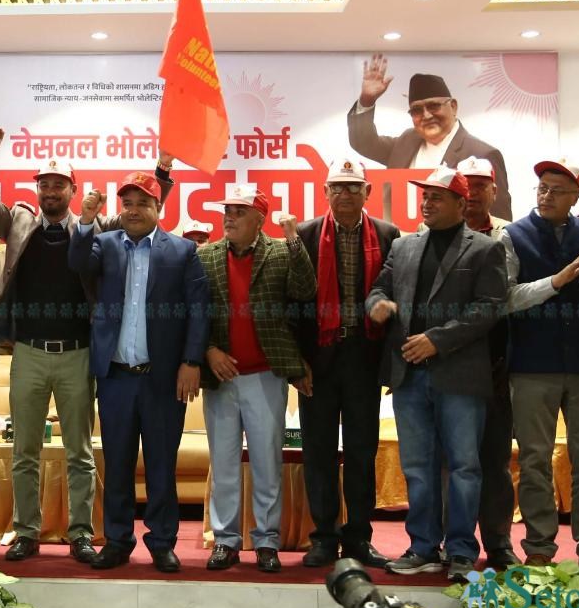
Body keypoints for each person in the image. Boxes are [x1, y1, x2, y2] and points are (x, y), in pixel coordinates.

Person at [0, 127, 176, 564]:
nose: (50, 191)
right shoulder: (19, 222)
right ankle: (26, 532)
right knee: (24, 451)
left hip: (79, 354)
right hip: (28, 352)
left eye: (59, 185)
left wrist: (162, 171)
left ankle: (81, 533)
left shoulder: (98, 227)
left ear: (73, 190)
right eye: (44, 184)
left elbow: (143, 210)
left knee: (80, 453)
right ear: (37, 189)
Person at [366, 166, 506, 581]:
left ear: (462, 204)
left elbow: (488, 308)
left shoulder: (485, 249)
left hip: (460, 375)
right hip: (409, 375)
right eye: (425, 196)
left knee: (464, 467)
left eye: (437, 197)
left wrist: (437, 340)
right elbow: (380, 288)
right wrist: (376, 305)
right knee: (417, 467)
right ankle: (423, 547)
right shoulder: (404, 246)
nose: (427, 203)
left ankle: (461, 552)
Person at [68, 171, 208, 573]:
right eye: (127, 203)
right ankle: (117, 541)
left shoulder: (182, 251)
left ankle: (162, 542)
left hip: (163, 378)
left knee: (162, 464)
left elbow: (199, 310)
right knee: (117, 463)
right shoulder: (105, 244)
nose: (133, 210)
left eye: (142, 203)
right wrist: (85, 221)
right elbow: (77, 263)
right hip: (116, 377)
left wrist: (191, 362)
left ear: (158, 207)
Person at [501, 159, 579, 581]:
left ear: (576, 197)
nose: (546, 195)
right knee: (534, 459)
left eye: (557, 190)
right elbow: (507, 298)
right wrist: (558, 280)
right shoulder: (513, 235)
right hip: (532, 364)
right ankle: (539, 549)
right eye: (542, 187)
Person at [199, 185, 315, 573]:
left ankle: (266, 541)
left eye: (239, 212)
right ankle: (226, 540)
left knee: (267, 462)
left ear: (259, 220)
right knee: (224, 464)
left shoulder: (281, 252)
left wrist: (294, 239)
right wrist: (208, 351)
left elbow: (305, 291)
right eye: (227, 211)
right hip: (221, 376)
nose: (229, 217)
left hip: (266, 375)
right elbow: (194, 313)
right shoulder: (206, 256)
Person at [294, 158, 401, 569]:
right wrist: (297, 363)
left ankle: (358, 536)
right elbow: (291, 304)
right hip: (317, 359)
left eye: (354, 187)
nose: (345, 194)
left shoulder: (389, 235)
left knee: (361, 451)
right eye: (337, 187)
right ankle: (323, 536)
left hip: (364, 356)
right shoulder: (305, 235)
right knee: (318, 451)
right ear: (325, 193)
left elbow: (395, 294)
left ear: (367, 193)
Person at [347, 54, 512, 219]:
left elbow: (499, 219)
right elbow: (363, 142)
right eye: (417, 110)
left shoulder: (482, 154)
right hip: (402, 234)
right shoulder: (406, 141)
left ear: (453, 106)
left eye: (433, 106)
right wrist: (367, 100)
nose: (426, 115)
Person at [453, 156, 517, 570]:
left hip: (496, 364)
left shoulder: (510, 236)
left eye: (481, 186)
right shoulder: (430, 233)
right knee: (452, 462)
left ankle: (498, 541)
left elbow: (513, 297)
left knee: (494, 460)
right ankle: (453, 542)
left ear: (494, 191)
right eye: (467, 185)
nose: (473, 193)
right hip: (450, 364)